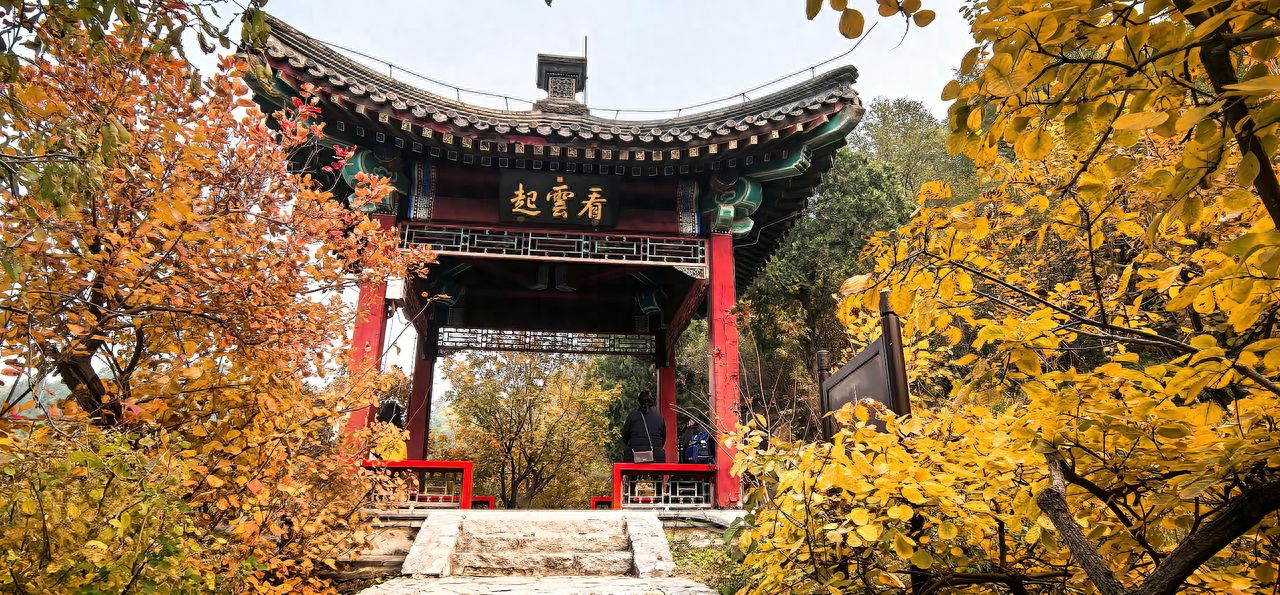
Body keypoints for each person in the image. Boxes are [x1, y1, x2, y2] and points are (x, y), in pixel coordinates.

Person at [620, 391, 665, 463]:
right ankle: (656, 474)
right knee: (658, 457)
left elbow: (625, 436)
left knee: (629, 457)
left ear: (639, 401)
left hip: (634, 455)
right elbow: (663, 439)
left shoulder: (632, 415)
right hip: (656, 456)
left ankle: (632, 474)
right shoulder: (659, 417)